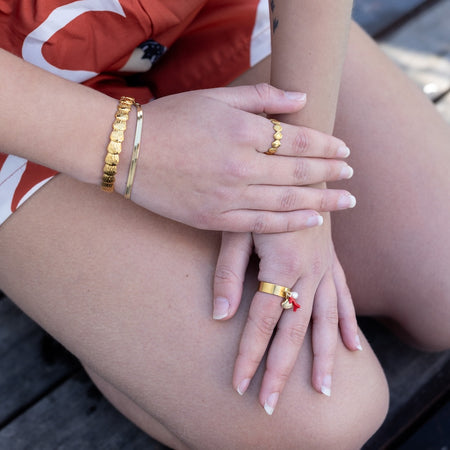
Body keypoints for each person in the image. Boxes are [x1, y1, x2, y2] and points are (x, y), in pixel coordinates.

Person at [0, 0, 449, 448]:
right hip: (17, 96)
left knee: (441, 289)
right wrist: (136, 148)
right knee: (315, 425)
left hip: (195, 15)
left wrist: (300, 189)